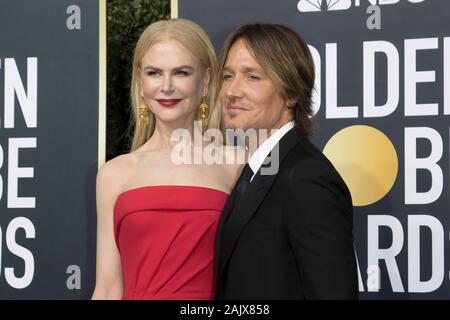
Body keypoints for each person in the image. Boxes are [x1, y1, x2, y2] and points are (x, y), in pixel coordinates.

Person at [91, 18, 242, 300]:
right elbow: (108, 288)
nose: (167, 86)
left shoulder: (237, 165)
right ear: (141, 80)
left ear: (206, 80)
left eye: (181, 72)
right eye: (154, 73)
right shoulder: (115, 174)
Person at [214, 23, 359, 299]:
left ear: (292, 93)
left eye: (252, 77)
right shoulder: (254, 171)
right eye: (228, 75)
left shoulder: (306, 177)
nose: (232, 91)